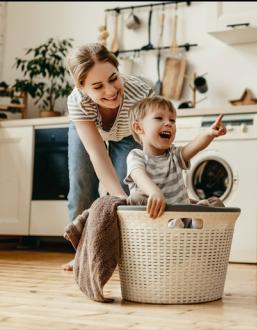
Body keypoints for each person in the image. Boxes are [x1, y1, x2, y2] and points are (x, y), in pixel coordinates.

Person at [63, 43, 153, 270]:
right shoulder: (77, 102)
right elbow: (96, 153)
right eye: (98, 86)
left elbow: (151, 145)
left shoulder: (142, 93)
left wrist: (126, 196)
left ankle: (124, 256)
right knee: (82, 185)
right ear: (82, 88)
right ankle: (83, 254)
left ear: (117, 69)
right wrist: (117, 196)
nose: (111, 91)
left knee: (129, 189)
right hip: (89, 128)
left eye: (113, 78)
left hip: (127, 134)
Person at [124, 96, 226, 227]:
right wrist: (154, 192)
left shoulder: (174, 155)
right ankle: (176, 225)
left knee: (216, 203)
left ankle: (195, 222)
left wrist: (209, 134)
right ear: (138, 127)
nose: (168, 123)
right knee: (135, 199)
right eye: (159, 118)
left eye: (172, 120)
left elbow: (194, 146)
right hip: (155, 219)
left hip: (183, 215)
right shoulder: (136, 156)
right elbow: (138, 176)